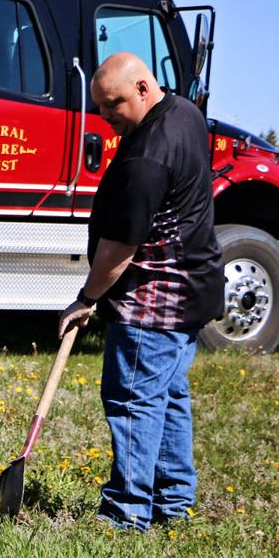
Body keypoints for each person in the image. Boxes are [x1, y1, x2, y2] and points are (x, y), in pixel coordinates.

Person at [59, 53, 223, 532]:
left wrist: (87, 298)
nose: (106, 118)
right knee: (167, 395)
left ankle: (128, 511)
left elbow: (120, 248)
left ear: (144, 89)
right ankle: (174, 502)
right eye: (101, 108)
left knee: (133, 399)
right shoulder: (185, 113)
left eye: (114, 106)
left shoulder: (148, 154)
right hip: (193, 289)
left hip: (154, 301)